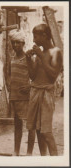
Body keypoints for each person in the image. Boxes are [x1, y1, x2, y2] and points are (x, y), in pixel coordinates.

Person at [26, 24, 62, 156]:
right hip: (35, 92)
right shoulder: (40, 52)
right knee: (38, 130)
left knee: (46, 132)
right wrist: (29, 59)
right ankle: (44, 159)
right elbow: (33, 76)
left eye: (36, 36)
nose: (34, 40)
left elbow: (53, 76)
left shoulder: (56, 52)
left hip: (46, 94)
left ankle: (56, 161)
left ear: (44, 36)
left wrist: (41, 56)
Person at [8, 29, 36, 156]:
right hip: (14, 96)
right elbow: (8, 74)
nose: (15, 45)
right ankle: (16, 151)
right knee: (17, 125)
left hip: (26, 97)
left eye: (18, 43)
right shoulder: (12, 58)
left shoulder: (28, 58)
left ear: (23, 43)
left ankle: (29, 152)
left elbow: (35, 76)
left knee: (30, 125)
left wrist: (30, 86)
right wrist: (10, 88)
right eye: (13, 43)